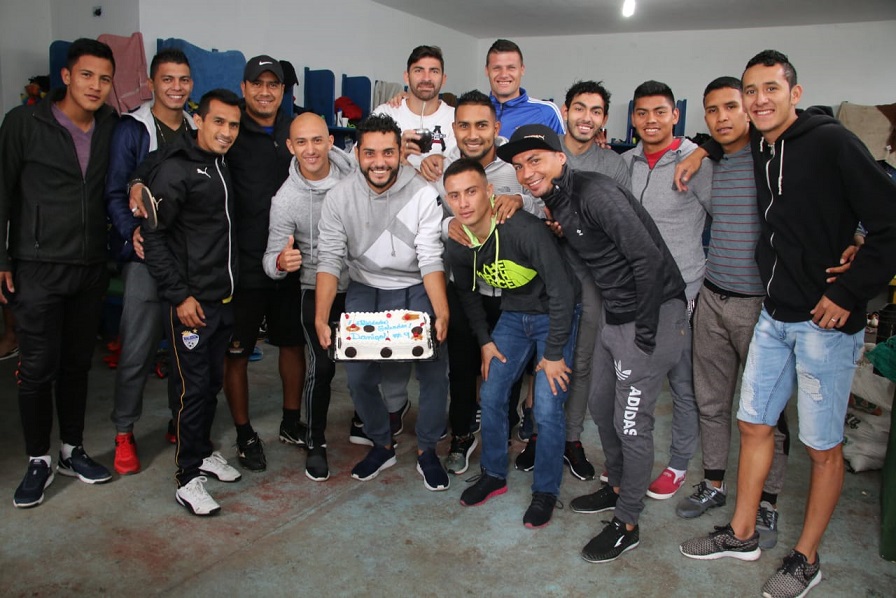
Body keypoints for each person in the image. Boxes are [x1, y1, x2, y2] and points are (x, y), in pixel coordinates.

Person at [679, 50, 896, 598]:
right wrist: (701, 148)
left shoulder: (831, 143)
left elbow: (891, 222)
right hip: (773, 317)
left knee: (822, 447)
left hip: (823, 324)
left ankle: (806, 558)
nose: (758, 100)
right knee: (753, 424)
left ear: (794, 93)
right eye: (750, 92)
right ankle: (743, 532)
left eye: (769, 89)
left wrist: (848, 291)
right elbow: (722, 133)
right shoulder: (762, 145)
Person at [497, 124, 688, 562]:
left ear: (560, 157)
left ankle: (628, 522)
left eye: (536, 160)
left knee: (632, 424)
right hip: (615, 317)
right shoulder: (559, 201)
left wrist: (643, 333)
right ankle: (617, 486)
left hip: (652, 316)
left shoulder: (595, 192)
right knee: (602, 408)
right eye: (520, 165)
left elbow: (647, 258)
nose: (526, 172)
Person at [674, 77, 791, 552]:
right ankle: (715, 483)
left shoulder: (773, 161)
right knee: (711, 401)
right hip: (712, 298)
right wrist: (702, 151)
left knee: (768, 414)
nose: (722, 117)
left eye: (730, 106)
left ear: (748, 108)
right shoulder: (711, 165)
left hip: (763, 306)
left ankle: (767, 500)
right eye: (711, 110)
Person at [1, 39, 118, 508]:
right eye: (87, 75)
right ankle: (38, 460)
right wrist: (2, 259)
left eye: (105, 78)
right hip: (37, 266)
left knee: (76, 365)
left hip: (90, 266)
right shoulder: (23, 123)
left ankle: (72, 450)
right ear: (67, 76)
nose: (95, 86)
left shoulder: (111, 126)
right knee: (36, 369)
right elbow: (3, 191)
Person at [314, 114, 450, 492]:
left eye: (388, 152)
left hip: (415, 283)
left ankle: (427, 450)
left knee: (434, 371)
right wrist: (322, 317)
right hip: (365, 285)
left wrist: (442, 311)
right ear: (357, 153)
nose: (379, 161)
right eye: (370, 152)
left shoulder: (422, 190)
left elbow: (430, 255)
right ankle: (382, 443)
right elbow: (329, 258)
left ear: (400, 153)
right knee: (357, 376)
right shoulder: (340, 197)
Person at [444, 158, 580, 528]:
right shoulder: (458, 243)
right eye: (454, 196)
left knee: (550, 407)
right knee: (491, 393)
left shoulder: (523, 229)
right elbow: (468, 295)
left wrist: (553, 354)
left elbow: (563, 291)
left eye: (471, 191)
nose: (464, 203)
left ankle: (546, 490)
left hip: (554, 313)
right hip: (514, 314)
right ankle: (492, 474)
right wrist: (486, 342)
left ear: (489, 191)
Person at [141, 89, 244, 516]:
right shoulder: (175, 168)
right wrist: (179, 295)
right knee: (191, 390)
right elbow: (154, 237)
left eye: (233, 125)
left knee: (211, 384)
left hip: (223, 298)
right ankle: (187, 478)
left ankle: (201, 451)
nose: (226, 132)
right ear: (198, 119)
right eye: (218, 122)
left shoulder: (221, 165)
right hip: (191, 304)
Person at [435, 89, 543, 475]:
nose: (473, 133)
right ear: (454, 128)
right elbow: (420, 218)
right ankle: (462, 435)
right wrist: (445, 223)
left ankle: (503, 429)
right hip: (466, 289)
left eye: (482, 124)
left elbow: (544, 205)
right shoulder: (439, 169)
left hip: (512, 294)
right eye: (464, 125)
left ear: (496, 128)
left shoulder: (516, 170)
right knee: (462, 367)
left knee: (506, 368)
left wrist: (522, 201)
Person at [620, 80, 712, 501]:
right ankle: (633, 459)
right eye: (642, 113)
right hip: (635, 294)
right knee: (638, 383)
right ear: (633, 118)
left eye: (660, 112)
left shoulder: (696, 163)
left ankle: (677, 464)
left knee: (682, 384)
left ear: (675, 115)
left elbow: (724, 217)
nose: (650, 120)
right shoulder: (627, 163)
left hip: (683, 294)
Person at [106, 48, 195, 475]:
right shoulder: (133, 129)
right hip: (145, 258)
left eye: (183, 80)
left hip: (186, 260)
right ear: (152, 84)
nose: (176, 87)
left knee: (184, 349)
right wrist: (132, 231)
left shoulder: (197, 129)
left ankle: (179, 423)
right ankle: (124, 431)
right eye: (167, 80)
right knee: (137, 350)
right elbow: (114, 191)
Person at [223, 55, 307, 472]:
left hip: (291, 262)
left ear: (282, 91)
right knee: (237, 351)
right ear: (244, 88)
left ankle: (292, 421)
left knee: (292, 343)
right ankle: (244, 433)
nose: (266, 91)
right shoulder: (231, 132)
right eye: (258, 84)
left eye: (273, 84)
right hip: (244, 264)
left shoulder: (294, 133)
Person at [262, 113, 356, 481]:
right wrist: (282, 262)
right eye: (301, 142)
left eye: (317, 140)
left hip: (360, 282)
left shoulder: (354, 177)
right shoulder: (285, 200)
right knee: (324, 363)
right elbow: (269, 260)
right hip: (314, 286)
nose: (311, 149)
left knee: (370, 362)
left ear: (330, 141)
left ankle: (372, 423)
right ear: (290, 146)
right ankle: (316, 443)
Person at [557, 79, 631, 482]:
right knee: (545, 356)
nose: (586, 117)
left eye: (596, 111)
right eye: (580, 107)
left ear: (603, 119)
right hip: (546, 271)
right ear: (565, 109)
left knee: (583, 360)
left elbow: (623, 222)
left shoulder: (612, 164)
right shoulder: (545, 151)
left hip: (592, 273)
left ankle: (571, 439)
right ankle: (538, 437)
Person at [373, 45, 456, 182]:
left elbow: (461, 170)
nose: (426, 78)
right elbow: (359, 159)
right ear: (406, 76)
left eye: (434, 71)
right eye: (419, 70)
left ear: (443, 79)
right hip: (393, 200)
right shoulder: (385, 113)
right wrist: (396, 154)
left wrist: (443, 161)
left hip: (440, 202)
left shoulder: (455, 118)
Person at [485, 39, 564, 137]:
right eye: (497, 68)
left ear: (522, 70)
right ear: (487, 70)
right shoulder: (475, 111)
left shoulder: (547, 111)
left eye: (511, 68)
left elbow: (561, 151)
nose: (504, 75)